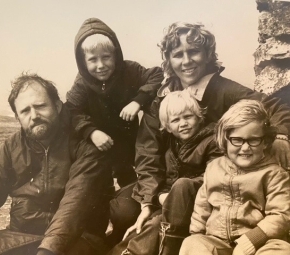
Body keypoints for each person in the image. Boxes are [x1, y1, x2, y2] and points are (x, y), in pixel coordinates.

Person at [131, 22, 290, 241]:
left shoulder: (224, 89)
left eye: (194, 52)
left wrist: (280, 134)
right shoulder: (162, 97)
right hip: (166, 187)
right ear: (168, 60)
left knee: (159, 226)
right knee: (123, 211)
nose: (187, 61)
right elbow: (147, 152)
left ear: (208, 55)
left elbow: (274, 107)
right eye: (178, 54)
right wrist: (148, 201)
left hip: (210, 187)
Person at [0, 74, 113, 255]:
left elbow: (74, 206)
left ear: (58, 106)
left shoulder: (85, 145)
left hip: (77, 239)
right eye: (25, 111)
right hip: (20, 237)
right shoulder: (11, 148)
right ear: (17, 118)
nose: (34, 116)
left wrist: (47, 251)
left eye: (41, 106)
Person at [108, 90, 222, 255]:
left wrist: (171, 194)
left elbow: (213, 176)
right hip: (166, 201)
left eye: (188, 117)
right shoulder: (171, 142)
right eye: (175, 120)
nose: (183, 123)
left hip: (195, 204)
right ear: (167, 126)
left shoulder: (211, 140)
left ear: (199, 117)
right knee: (140, 226)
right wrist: (158, 195)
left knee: (156, 225)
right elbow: (159, 172)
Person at [180, 99, 290, 255]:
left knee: (281, 251)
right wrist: (196, 233)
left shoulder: (274, 174)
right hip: (219, 242)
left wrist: (251, 240)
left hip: (261, 243)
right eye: (237, 140)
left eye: (253, 140)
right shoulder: (214, 168)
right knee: (193, 244)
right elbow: (202, 206)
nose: (245, 147)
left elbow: (280, 216)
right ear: (225, 141)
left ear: (265, 142)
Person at [66, 17, 164, 188]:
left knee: (132, 179)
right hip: (99, 141)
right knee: (101, 182)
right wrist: (91, 132)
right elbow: (73, 110)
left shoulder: (129, 70)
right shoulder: (82, 83)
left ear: (116, 55)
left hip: (128, 137)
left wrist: (137, 102)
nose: (101, 65)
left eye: (106, 57)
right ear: (83, 61)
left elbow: (157, 75)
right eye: (92, 60)